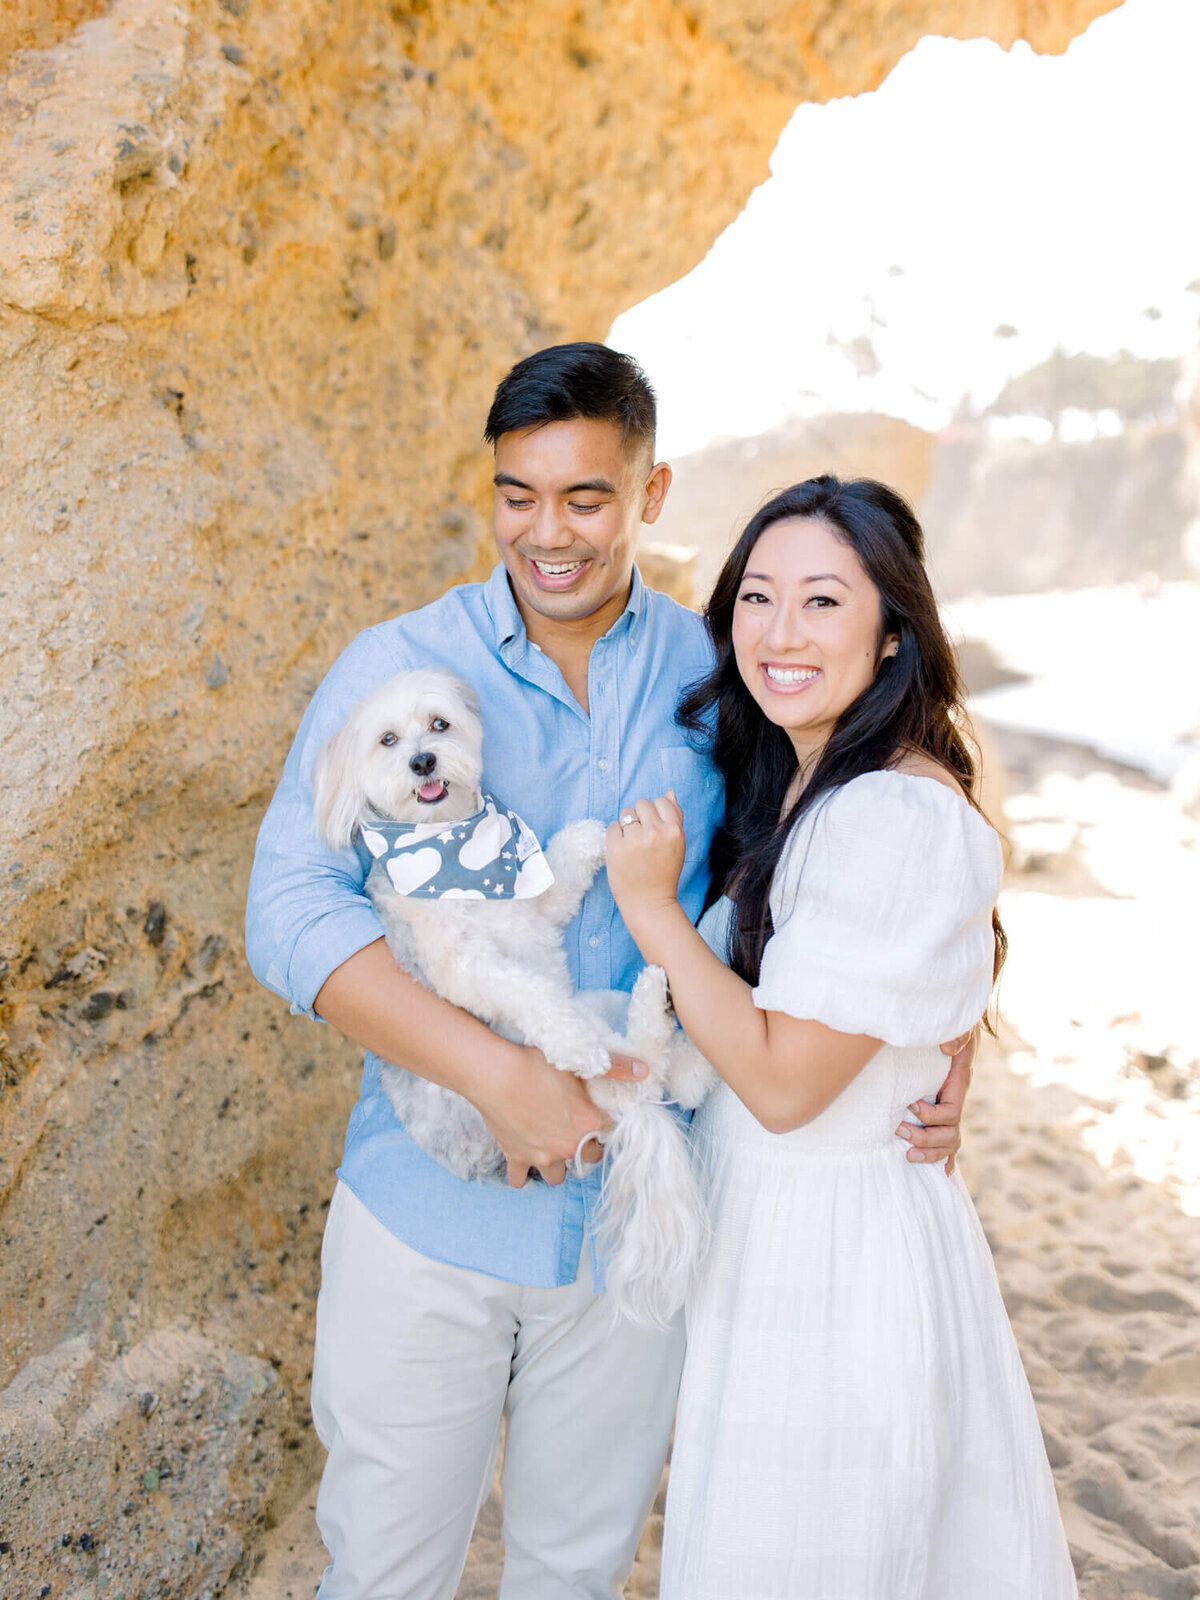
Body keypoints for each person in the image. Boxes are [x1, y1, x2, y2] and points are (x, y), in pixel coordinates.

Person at [245, 349, 972, 1600]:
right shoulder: (398, 667)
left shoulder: (719, 673)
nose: (548, 531)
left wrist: (941, 1048)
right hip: (427, 1208)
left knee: (574, 1574)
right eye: (517, 495)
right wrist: (496, 1076)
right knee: (381, 1573)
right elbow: (289, 910)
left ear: (653, 491)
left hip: (638, 1221)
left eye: (586, 496)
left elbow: (849, 862)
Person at [605, 475, 1077, 1599]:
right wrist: (942, 1056)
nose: (778, 632)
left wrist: (657, 915)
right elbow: (910, 986)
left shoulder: (890, 813)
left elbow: (783, 1085)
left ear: (893, 629)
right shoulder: (814, 786)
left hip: (830, 1254)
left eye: (822, 601)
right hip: (787, 1234)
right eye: (757, 598)